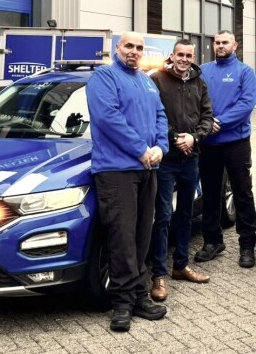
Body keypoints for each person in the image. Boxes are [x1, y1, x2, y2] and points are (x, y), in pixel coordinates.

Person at [86, 32, 170, 332]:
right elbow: (108, 119)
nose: (134, 51)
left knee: (141, 236)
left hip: (147, 168)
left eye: (139, 47)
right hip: (116, 171)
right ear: (117, 49)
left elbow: (161, 116)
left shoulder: (147, 81)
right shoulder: (103, 78)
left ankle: (138, 296)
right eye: (128, 46)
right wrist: (141, 150)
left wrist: (161, 147)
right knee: (121, 238)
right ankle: (121, 304)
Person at [148, 39, 215, 302]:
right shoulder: (157, 80)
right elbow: (153, 115)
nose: (184, 59)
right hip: (166, 159)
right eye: (180, 55)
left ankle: (181, 265)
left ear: (193, 57)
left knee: (186, 214)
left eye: (188, 55)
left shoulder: (199, 82)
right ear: (172, 55)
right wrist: (174, 137)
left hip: (191, 158)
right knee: (163, 216)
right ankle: (159, 276)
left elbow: (207, 116)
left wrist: (194, 138)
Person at [194, 30, 256, 268]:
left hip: (235, 143)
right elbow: (194, 100)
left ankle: (247, 245)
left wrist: (217, 122)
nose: (220, 46)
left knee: (242, 192)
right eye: (217, 42)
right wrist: (205, 125)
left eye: (225, 42)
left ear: (235, 46)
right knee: (211, 194)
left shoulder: (245, 72)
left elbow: (246, 104)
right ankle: (212, 241)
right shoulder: (203, 71)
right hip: (208, 144)